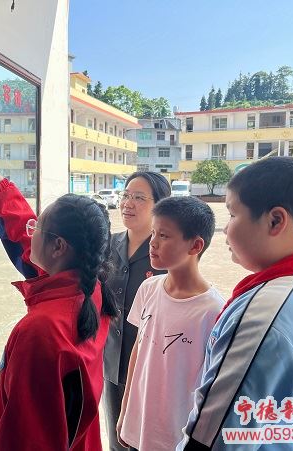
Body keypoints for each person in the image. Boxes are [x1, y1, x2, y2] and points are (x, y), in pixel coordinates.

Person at [0, 141, 118, 451]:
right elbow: (23, 235)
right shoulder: (91, 291)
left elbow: (25, 437)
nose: (30, 233)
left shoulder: (40, 330)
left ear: (59, 246)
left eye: (37, 228)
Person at [179, 157, 293, 450]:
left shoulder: (262, 318)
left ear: (275, 221)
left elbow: (210, 443)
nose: (225, 230)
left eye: (232, 214)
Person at [116, 196, 225, 450]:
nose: (152, 243)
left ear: (195, 245)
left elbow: (211, 387)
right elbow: (138, 351)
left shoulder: (213, 311)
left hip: (176, 436)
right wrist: (125, 410)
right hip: (139, 423)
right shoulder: (148, 288)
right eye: (153, 233)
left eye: (164, 236)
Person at [103, 171, 171, 451]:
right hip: (110, 364)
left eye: (139, 198)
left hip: (151, 369)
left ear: (160, 206)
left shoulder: (168, 253)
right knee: (116, 442)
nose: (128, 203)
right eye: (126, 195)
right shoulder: (108, 245)